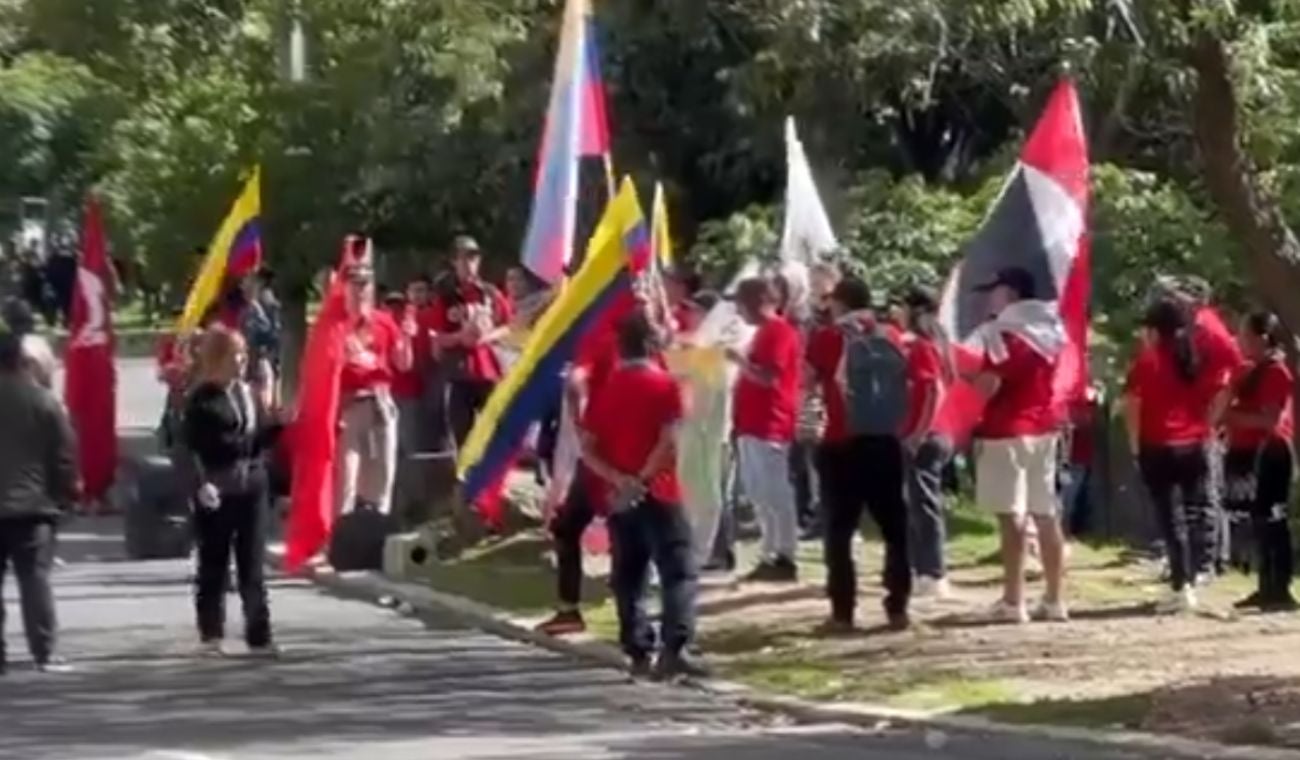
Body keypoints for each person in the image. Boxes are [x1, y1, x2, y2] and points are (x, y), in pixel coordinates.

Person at [580, 311, 704, 678]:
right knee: (677, 570)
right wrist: (642, 479)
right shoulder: (666, 386)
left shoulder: (606, 390)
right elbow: (668, 441)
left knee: (629, 573)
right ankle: (674, 648)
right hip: (660, 491)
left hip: (619, 496)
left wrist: (618, 479)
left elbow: (587, 448)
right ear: (651, 344)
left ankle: (637, 648)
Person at [536, 283, 665, 635]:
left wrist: (580, 421)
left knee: (625, 538)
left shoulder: (609, 342)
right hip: (639, 457)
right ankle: (602, 617)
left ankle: (624, 623)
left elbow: (577, 381)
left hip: (609, 457)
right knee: (624, 535)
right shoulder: (655, 350)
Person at [806, 277, 916, 631]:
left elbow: (807, 379)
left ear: (839, 303)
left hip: (842, 440)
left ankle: (843, 612)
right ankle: (897, 606)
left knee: (839, 530)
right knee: (895, 528)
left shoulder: (830, 336)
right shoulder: (891, 334)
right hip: (885, 439)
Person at [969, 267, 1070, 624]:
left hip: (1005, 430)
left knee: (1011, 515)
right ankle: (1055, 599)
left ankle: (1014, 601)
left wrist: (965, 380)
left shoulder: (1004, 335)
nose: (989, 298)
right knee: (1045, 512)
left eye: (994, 291)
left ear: (1009, 293)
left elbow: (989, 385)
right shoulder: (1049, 331)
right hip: (1043, 428)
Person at [1125, 298, 1232, 613]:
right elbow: (1224, 389)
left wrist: (1134, 444)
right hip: (1194, 445)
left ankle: (1181, 584)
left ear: (1155, 330)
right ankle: (1200, 573)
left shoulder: (1148, 361)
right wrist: (1208, 424)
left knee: (1170, 519)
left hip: (1158, 445)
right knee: (1195, 511)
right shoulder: (1195, 359)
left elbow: (1133, 403)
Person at [183, 328, 285, 656]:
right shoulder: (202, 399)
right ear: (216, 359)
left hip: (251, 485)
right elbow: (199, 447)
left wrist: (279, 425)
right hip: (218, 487)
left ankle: (260, 634)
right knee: (214, 562)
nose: (241, 363)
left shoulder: (247, 393)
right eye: (233, 356)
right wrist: (199, 485)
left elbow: (256, 441)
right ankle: (211, 632)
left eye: (243, 355)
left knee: (251, 564)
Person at [0, 329, 78, 673]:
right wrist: (61, 497)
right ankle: (43, 651)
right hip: (33, 506)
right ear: (20, 360)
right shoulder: (44, 401)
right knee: (34, 579)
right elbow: (63, 456)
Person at [728, 277, 803, 583]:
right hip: (752, 422)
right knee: (758, 491)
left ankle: (785, 554)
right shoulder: (763, 333)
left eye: (741, 303)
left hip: (771, 421)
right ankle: (769, 552)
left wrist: (739, 361)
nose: (738, 310)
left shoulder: (779, 331)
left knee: (775, 492)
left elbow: (769, 377)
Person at [1222, 311, 1295, 611]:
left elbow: (1269, 419)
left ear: (1263, 338)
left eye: (1246, 335)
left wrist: (1229, 416)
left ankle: (1279, 587)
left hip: (1272, 451)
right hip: (1254, 452)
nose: (1241, 341)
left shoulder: (1276, 372)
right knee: (1259, 519)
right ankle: (1266, 585)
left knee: (1272, 519)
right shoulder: (1253, 371)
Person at [336, 257, 414, 517]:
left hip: (380, 402)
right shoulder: (334, 324)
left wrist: (406, 336)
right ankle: (339, 542)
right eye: (355, 283)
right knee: (346, 480)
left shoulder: (384, 321)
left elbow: (403, 364)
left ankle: (376, 538)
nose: (361, 289)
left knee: (382, 475)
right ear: (344, 286)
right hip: (347, 406)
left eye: (366, 283)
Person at [427, 236, 513, 448]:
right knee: (462, 436)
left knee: (495, 433)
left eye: (473, 258)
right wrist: (460, 337)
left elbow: (509, 326)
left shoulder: (490, 293)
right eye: (463, 259)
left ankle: (492, 480)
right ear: (454, 262)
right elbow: (436, 338)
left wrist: (487, 336)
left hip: (489, 372)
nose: (468, 264)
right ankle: (464, 479)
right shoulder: (444, 295)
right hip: (459, 374)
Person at [900, 285, 954, 599]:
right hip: (938, 431)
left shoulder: (922, 347)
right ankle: (920, 568)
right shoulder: (941, 344)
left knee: (924, 504)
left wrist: (917, 433)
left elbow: (933, 389)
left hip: (925, 434)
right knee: (918, 503)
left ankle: (933, 571)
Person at [1, 298, 55, 389]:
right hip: (40, 396)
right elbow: (48, 384)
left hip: (22, 394)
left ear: (8, 322)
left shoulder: (13, 347)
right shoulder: (42, 343)